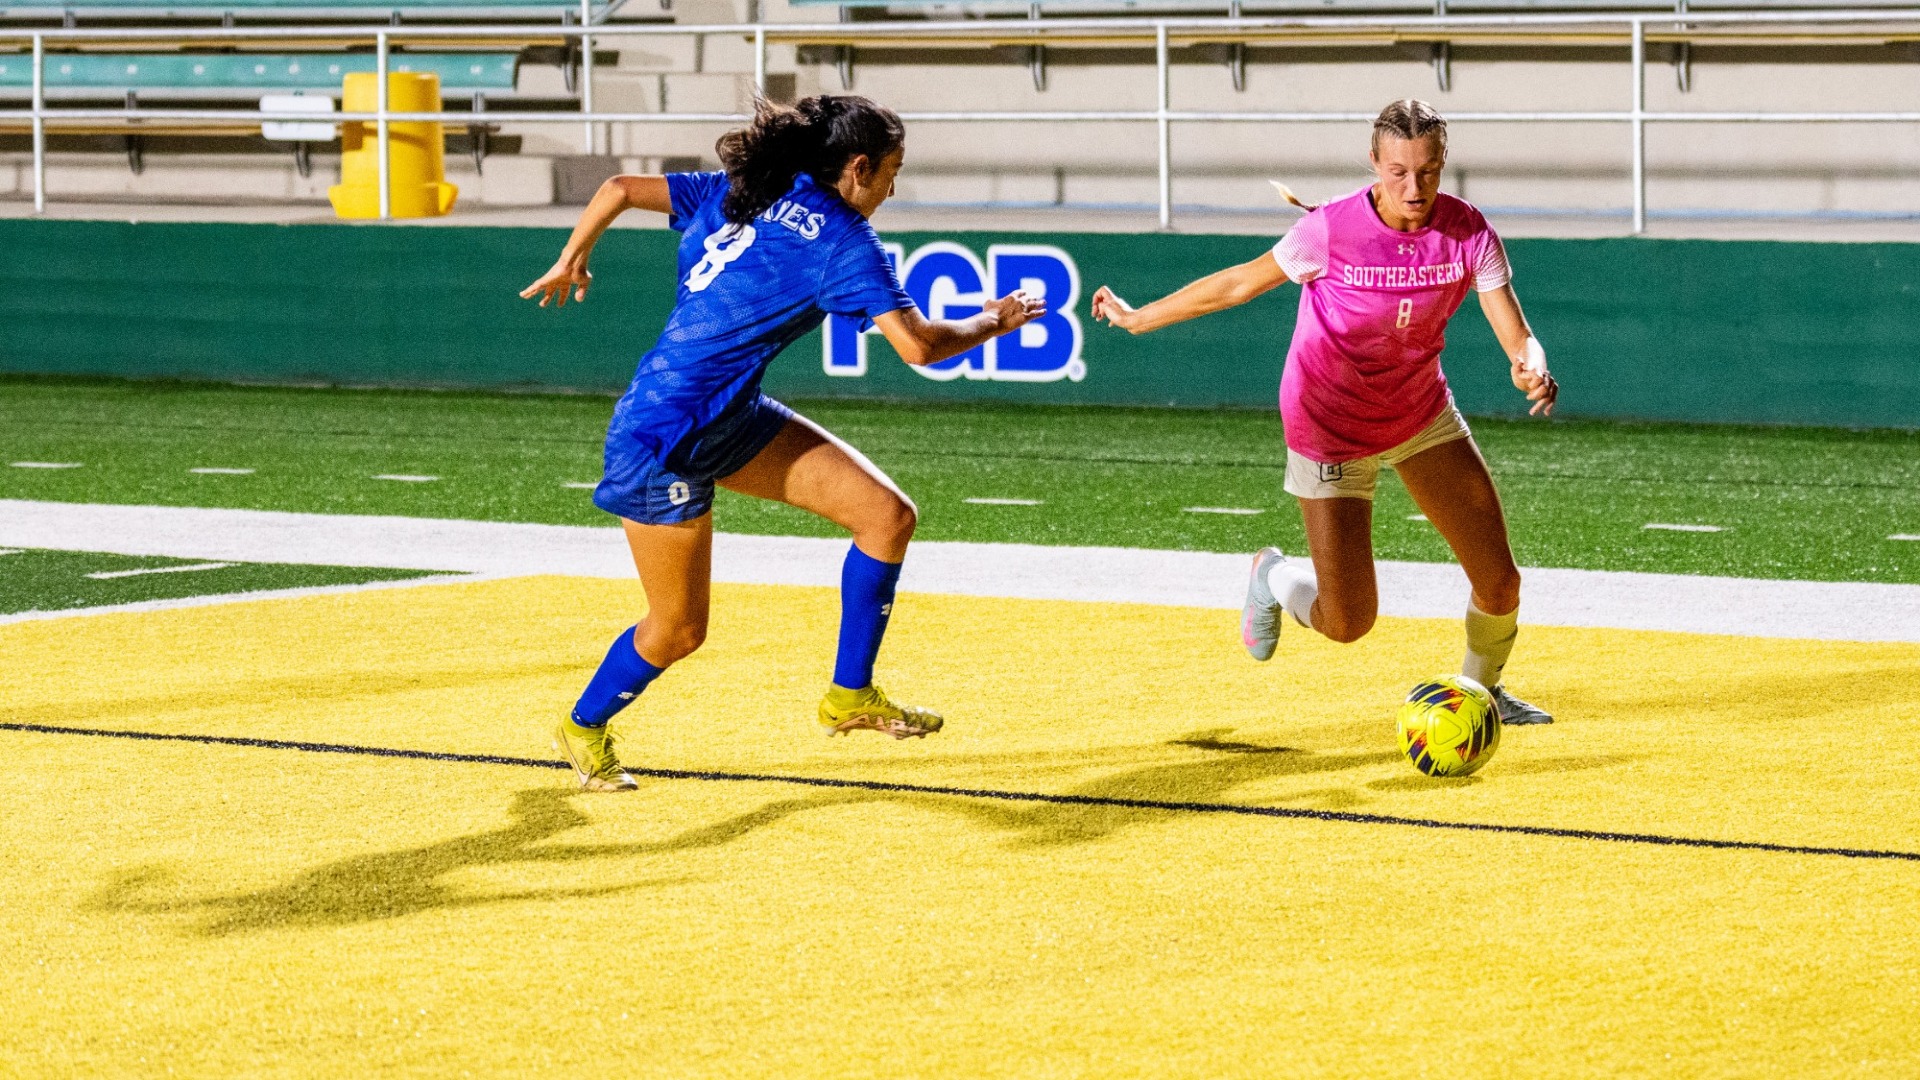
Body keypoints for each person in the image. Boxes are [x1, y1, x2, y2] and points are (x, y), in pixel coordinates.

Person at [522, 95, 1045, 790]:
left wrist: (572, 256)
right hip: (662, 438)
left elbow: (617, 188)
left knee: (887, 518)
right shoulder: (843, 240)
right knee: (677, 630)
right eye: (892, 171)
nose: (893, 187)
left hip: (728, 415)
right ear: (856, 167)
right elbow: (919, 347)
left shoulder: (746, 188)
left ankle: (848, 697)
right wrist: (992, 322)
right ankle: (583, 726)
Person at [1089, 98, 1559, 726]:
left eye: (1426, 171)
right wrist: (1138, 316)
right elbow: (1238, 283)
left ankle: (1479, 697)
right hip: (1329, 425)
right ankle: (1274, 576)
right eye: (1397, 172)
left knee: (1500, 582)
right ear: (1374, 162)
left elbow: (1515, 327)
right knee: (1347, 621)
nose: (1412, 188)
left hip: (1419, 413)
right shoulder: (1331, 230)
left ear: (1443, 164)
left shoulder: (1469, 231)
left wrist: (1530, 361)